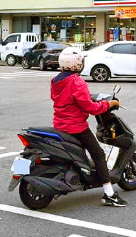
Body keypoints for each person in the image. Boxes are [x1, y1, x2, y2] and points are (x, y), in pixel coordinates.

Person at [51, 47, 127, 207]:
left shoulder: (56, 80)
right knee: (98, 154)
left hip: (59, 124)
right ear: (77, 64)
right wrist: (109, 104)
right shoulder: (77, 81)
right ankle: (109, 194)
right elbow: (90, 108)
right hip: (76, 127)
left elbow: (67, 100)